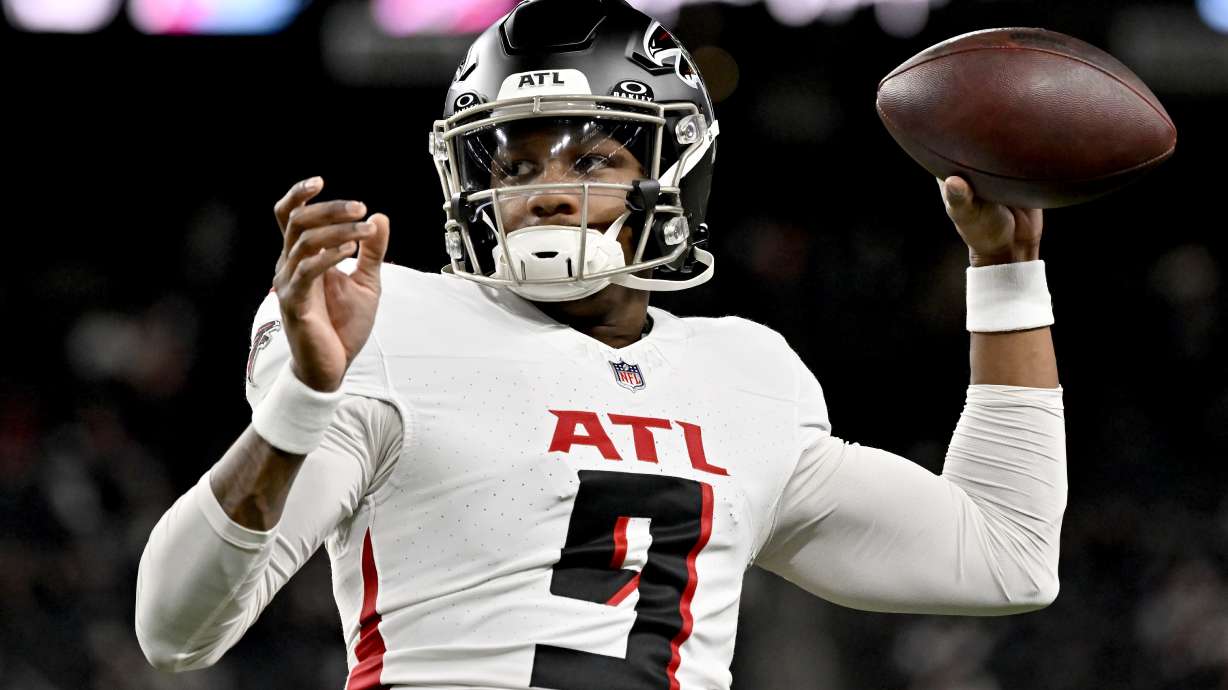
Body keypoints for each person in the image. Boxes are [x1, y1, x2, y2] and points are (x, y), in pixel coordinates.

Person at [135, 1, 1066, 688]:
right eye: (514, 162)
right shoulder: (394, 324)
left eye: (590, 159)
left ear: (672, 172)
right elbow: (173, 628)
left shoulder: (745, 373)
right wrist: (302, 402)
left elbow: (1005, 555)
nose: (544, 191)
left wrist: (1010, 276)